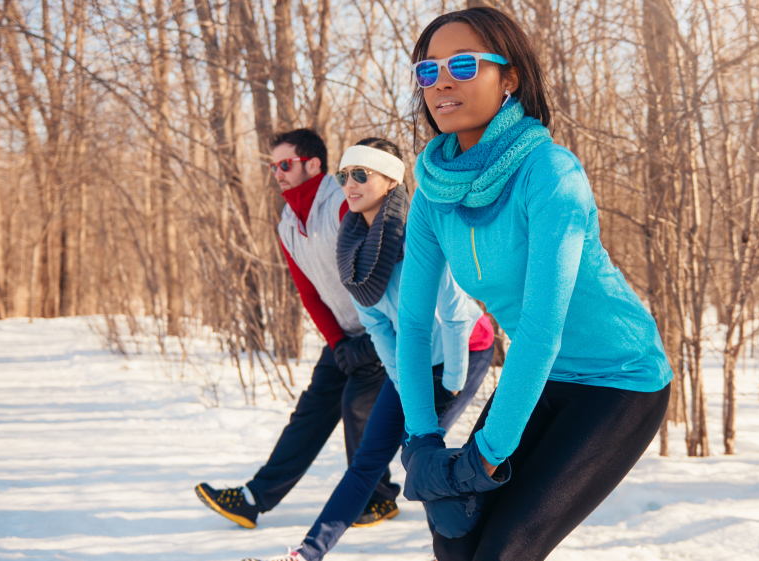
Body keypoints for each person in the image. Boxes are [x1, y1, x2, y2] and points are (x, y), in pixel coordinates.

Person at [395, 8, 673, 561]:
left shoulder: (550, 172)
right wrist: (421, 437)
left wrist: (490, 452)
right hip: (537, 375)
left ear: (510, 78)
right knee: (454, 539)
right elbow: (412, 322)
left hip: (618, 379)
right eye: (428, 71)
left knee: (507, 548)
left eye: (464, 64)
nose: (442, 82)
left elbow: (544, 326)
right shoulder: (432, 193)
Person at [247, 138, 496, 561]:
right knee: (367, 460)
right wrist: (401, 379)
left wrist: (451, 382)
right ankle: (308, 552)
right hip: (412, 358)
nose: (349, 184)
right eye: (344, 176)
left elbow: (455, 315)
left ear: (391, 179)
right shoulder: (354, 250)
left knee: (420, 454)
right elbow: (376, 323)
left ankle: (478, 548)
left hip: (462, 352)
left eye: (361, 175)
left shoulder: (420, 233)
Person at [195, 128, 400, 530]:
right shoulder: (288, 222)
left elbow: (381, 265)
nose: (278, 173)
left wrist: (372, 338)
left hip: (383, 328)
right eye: (273, 167)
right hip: (344, 335)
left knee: (358, 410)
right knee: (309, 414)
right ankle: (253, 500)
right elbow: (309, 293)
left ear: (313, 164)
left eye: (285, 165)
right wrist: (338, 343)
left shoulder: (345, 201)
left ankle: (379, 498)